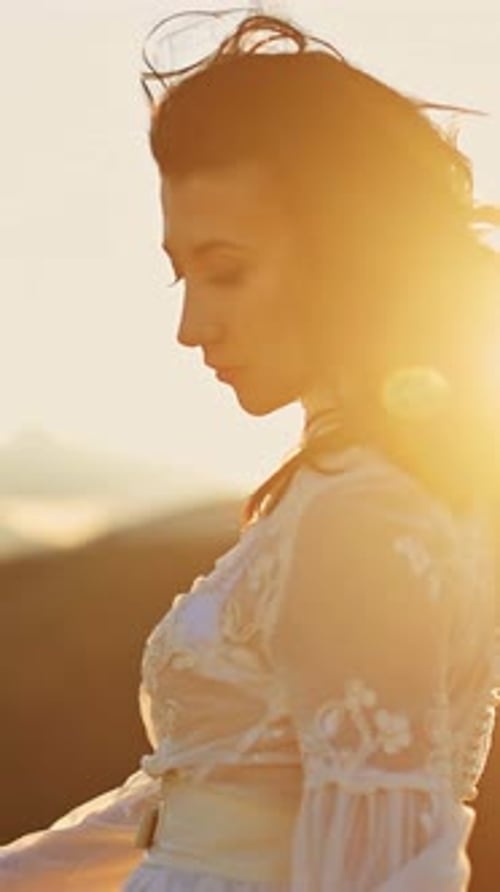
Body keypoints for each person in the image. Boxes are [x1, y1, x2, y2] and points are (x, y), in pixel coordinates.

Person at [1, 9, 500, 891]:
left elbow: (383, 870)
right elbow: (196, 801)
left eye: (226, 269)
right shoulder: (357, 492)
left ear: (351, 253)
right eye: (181, 273)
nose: (193, 327)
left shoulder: (363, 511)